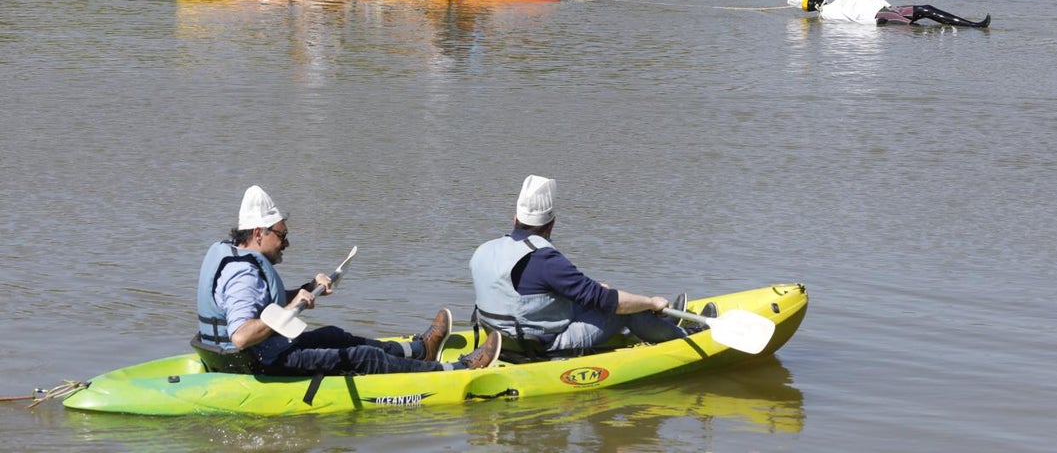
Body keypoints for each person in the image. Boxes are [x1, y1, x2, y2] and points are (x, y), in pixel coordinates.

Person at [196, 185, 500, 375]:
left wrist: (304, 290)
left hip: (260, 353)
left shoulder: (236, 257)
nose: (286, 242)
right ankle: (456, 370)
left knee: (334, 335)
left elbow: (259, 305)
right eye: (282, 235)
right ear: (259, 233)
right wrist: (291, 310)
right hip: (258, 362)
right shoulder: (243, 274)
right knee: (362, 356)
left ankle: (421, 350)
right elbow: (241, 336)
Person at [469, 175, 703, 356]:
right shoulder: (546, 259)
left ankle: (657, 324)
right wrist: (651, 302)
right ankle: (682, 335)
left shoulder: (484, 249)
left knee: (598, 296)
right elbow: (611, 302)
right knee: (623, 310)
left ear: (515, 219)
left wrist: (593, 292)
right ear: (551, 224)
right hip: (541, 345)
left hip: (499, 337)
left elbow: (523, 292)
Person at [788, 0, 991, 28]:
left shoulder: (834, 6)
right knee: (921, 29)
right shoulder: (828, 15)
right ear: (810, 5)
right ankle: (971, 27)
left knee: (926, 9)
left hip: (888, 9)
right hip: (882, 17)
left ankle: (971, 25)